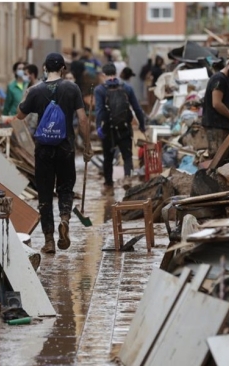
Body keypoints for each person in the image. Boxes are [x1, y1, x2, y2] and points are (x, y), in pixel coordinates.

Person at [17, 53, 92, 254]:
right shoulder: (72, 88)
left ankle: (49, 241)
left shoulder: (36, 90)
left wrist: (27, 95)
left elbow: (20, 114)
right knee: (66, 188)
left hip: (43, 149)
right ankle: (65, 220)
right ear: (63, 69)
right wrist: (87, 145)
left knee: (44, 194)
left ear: (44, 68)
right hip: (66, 148)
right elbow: (83, 120)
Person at [95, 63, 147, 195]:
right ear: (116, 74)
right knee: (127, 155)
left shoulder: (100, 90)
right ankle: (128, 178)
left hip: (108, 129)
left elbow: (100, 111)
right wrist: (142, 124)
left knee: (108, 157)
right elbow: (137, 108)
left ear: (103, 75)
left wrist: (98, 128)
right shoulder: (127, 88)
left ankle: (109, 186)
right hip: (124, 128)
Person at [202, 55, 229, 156]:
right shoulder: (219, 79)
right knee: (216, 158)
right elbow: (217, 104)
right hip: (216, 126)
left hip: (220, 126)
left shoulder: (225, 80)